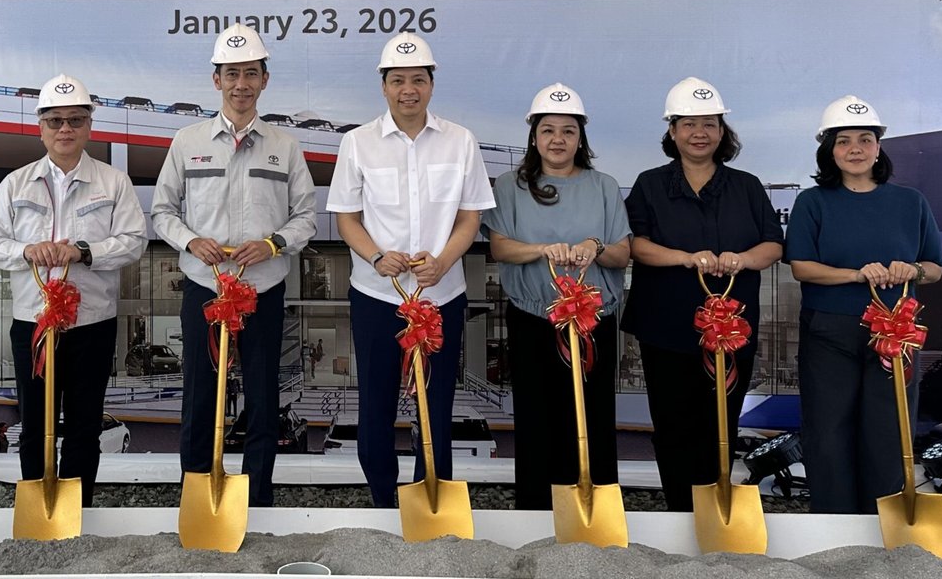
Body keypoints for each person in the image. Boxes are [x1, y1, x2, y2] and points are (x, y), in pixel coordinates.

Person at [150, 24, 317, 507]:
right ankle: (199, 498)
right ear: (215, 80)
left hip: (263, 289)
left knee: (263, 397)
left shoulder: (284, 146)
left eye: (250, 74)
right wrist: (190, 241)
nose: (240, 83)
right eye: (231, 74)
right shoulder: (187, 141)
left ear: (265, 80)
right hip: (206, 288)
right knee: (201, 395)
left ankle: (257, 499)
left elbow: (306, 215)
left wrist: (274, 244)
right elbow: (163, 211)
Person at [325, 32, 494, 507]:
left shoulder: (460, 142)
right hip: (378, 296)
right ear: (383, 87)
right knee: (376, 406)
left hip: (441, 295)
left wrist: (444, 261)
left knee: (436, 405)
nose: (408, 89)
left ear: (431, 84)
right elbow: (346, 218)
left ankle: (430, 499)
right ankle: (383, 500)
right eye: (397, 80)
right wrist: (378, 257)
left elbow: (470, 217)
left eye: (417, 79)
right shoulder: (357, 143)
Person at [0, 73, 146, 505]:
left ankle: (76, 509)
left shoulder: (113, 182)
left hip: (91, 324)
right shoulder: (16, 184)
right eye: (55, 121)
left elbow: (133, 241)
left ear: (89, 125)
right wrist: (28, 251)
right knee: (34, 422)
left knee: (84, 425)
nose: (65, 129)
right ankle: (37, 507)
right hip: (32, 325)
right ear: (40, 126)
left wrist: (84, 252)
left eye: (74, 120)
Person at [622, 77, 784, 511]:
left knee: (721, 422)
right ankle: (680, 510)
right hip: (666, 327)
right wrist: (683, 257)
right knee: (673, 423)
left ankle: (717, 510)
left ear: (722, 133)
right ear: (672, 132)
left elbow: (773, 244)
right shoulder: (650, 184)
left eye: (709, 124)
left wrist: (743, 259)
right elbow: (633, 244)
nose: (699, 133)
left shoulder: (747, 186)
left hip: (731, 329)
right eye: (688, 124)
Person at [785, 95, 942, 514]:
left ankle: (884, 522)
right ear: (828, 150)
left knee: (889, 429)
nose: (855, 148)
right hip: (830, 331)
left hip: (895, 332)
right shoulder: (812, 202)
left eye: (865, 139)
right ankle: (834, 524)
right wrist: (857, 274)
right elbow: (801, 267)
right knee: (828, 430)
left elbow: (935, 268)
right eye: (843, 141)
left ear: (879, 147)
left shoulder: (911, 202)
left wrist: (911, 270)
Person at [482, 83, 631, 510]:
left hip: (593, 322)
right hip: (533, 319)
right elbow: (500, 248)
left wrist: (595, 246)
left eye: (568, 131)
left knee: (593, 417)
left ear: (581, 137)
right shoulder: (510, 185)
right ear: (533, 136)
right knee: (535, 416)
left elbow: (622, 254)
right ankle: (535, 510)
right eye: (548, 130)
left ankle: (593, 508)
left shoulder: (603, 186)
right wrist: (543, 250)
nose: (558, 140)